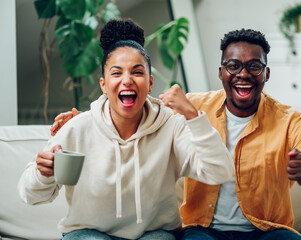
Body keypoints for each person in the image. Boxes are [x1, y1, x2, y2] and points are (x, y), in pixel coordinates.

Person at [50, 28, 301, 239]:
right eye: (233, 66)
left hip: (268, 230)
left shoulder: (290, 121)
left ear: (266, 74)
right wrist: (85, 119)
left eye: (254, 66)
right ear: (221, 72)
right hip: (201, 231)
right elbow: (131, 100)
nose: (243, 74)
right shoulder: (191, 107)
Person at [18, 19, 234, 240]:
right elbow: (29, 195)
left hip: (154, 233)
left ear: (150, 83)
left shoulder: (172, 126)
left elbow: (220, 172)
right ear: (104, 84)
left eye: (137, 72)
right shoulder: (77, 127)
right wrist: (42, 174)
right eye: (117, 73)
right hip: (88, 233)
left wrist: (192, 116)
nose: (127, 80)